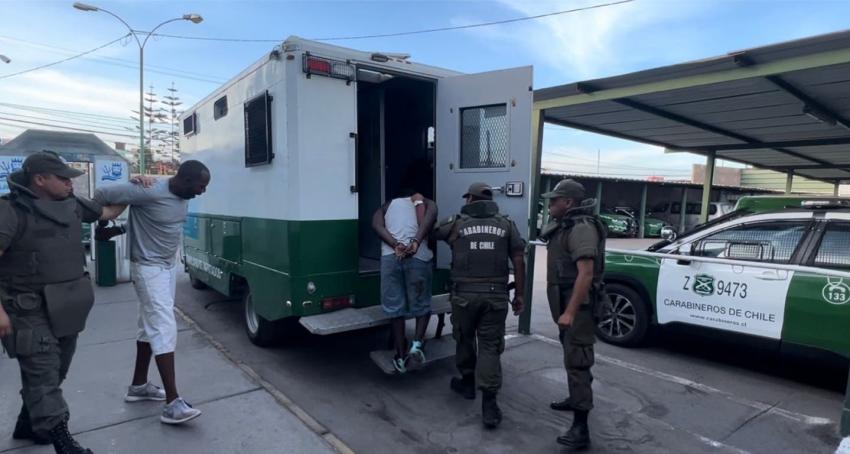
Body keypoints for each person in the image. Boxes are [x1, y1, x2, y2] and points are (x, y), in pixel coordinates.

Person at [0, 151, 124, 454]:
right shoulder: (9, 211)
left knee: (55, 371)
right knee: (43, 372)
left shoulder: (72, 206)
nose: (70, 183)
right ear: (40, 179)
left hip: (66, 307)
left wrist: (137, 187)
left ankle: (28, 424)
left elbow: (108, 212)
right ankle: (64, 443)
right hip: (26, 308)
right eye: (63, 178)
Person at [93, 160, 210, 425]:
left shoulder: (178, 191)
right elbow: (102, 195)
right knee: (163, 326)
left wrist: (120, 229)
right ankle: (172, 403)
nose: (202, 192)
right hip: (147, 268)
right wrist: (102, 225)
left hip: (167, 267)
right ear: (186, 179)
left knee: (148, 327)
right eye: (201, 186)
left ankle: (138, 387)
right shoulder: (148, 190)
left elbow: (155, 222)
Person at [433, 182, 525, 429]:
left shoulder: (456, 223)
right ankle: (490, 405)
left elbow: (431, 233)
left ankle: (467, 383)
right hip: (495, 297)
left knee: (464, 338)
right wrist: (521, 295)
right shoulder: (506, 224)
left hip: (464, 297)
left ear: (471, 199)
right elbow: (518, 258)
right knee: (489, 346)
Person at [540, 179, 607, 450]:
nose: (551, 203)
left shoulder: (581, 228)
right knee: (572, 358)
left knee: (578, 362)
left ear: (568, 202)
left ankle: (581, 428)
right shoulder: (566, 225)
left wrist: (569, 312)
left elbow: (586, 274)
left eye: (555, 199)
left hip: (577, 306)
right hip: (567, 305)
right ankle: (576, 398)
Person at [372, 188, 437, 373]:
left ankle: (400, 355)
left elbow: (376, 225)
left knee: (395, 307)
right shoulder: (429, 204)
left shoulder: (387, 206)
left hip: (391, 258)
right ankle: (417, 344)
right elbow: (427, 222)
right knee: (422, 303)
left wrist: (396, 245)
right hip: (418, 258)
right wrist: (415, 242)